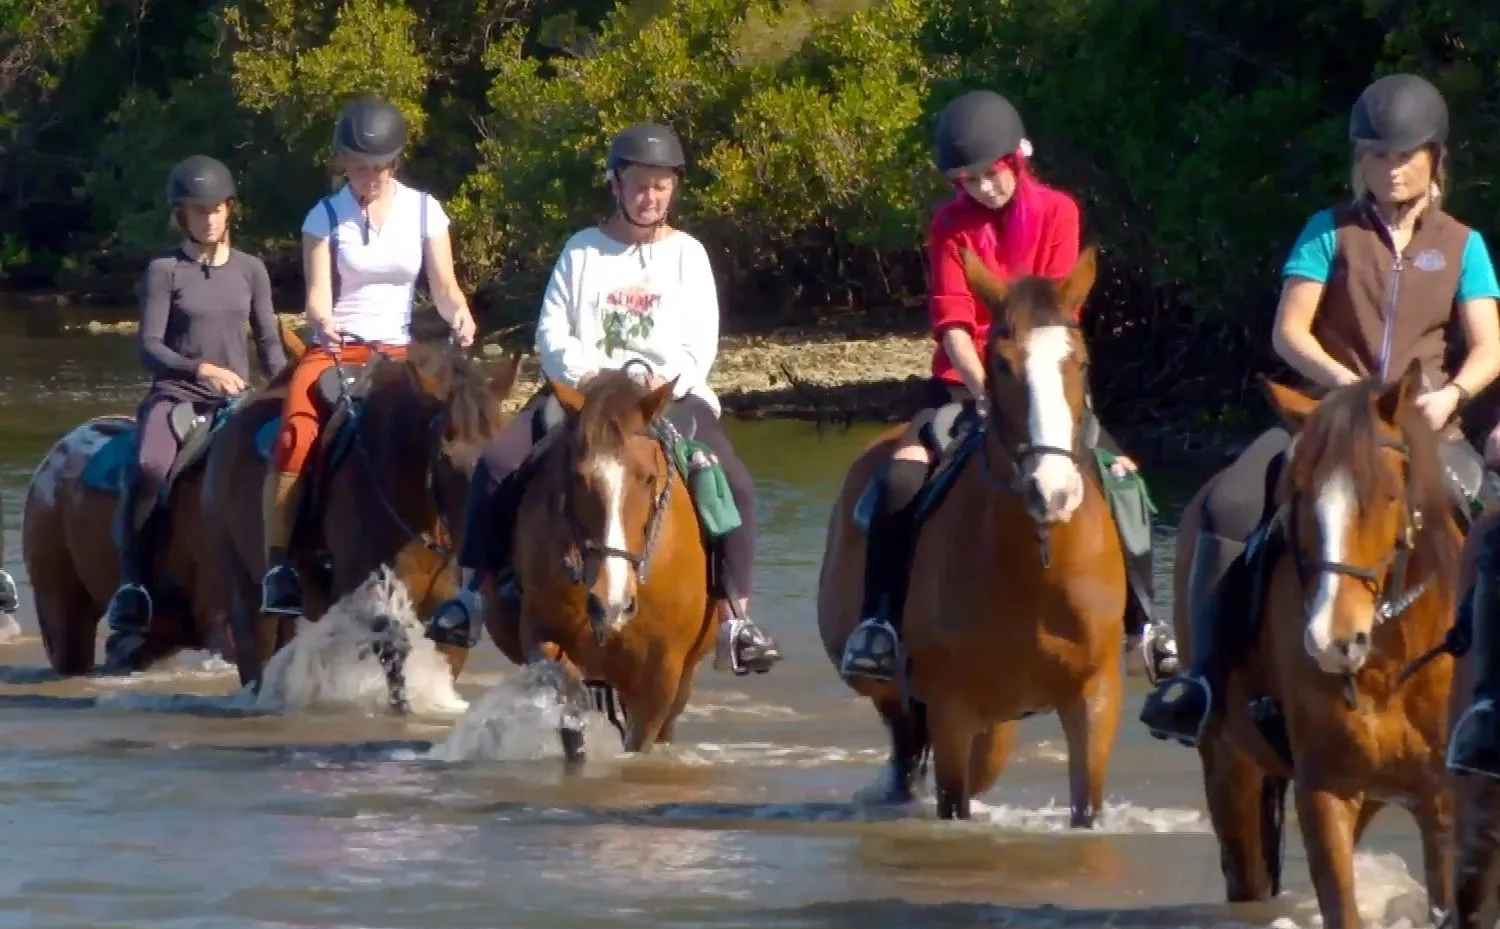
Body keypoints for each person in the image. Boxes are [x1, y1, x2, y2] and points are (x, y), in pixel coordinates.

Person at [1140, 72, 1500, 749]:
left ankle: (1486, 704)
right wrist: (1344, 386)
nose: (1391, 170)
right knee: (1232, 506)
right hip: (1326, 418)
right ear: (1358, 161)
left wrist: (1453, 394)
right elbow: (1289, 331)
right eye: (1377, 156)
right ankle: (1206, 680)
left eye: (1404, 156)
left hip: (1425, 427)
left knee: (1486, 521)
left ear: (1434, 160)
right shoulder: (1325, 231)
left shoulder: (1464, 244)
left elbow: (1489, 345)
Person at [836, 89, 1179, 686]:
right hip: (968, 383)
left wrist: (1026, 387)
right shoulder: (949, 225)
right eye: (967, 180)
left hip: (1045, 379)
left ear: (1015, 160)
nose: (983, 189)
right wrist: (982, 388)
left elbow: (1048, 314)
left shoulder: (1057, 212)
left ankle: (1144, 625)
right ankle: (880, 623)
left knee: (1121, 478)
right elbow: (953, 321)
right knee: (902, 475)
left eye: (990, 174)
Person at [424, 122, 783, 673]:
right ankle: (470, 597)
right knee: (496, 463)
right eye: (640, 184)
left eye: (662, 185)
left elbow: (699, 342)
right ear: (616, 185)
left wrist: (650, 387)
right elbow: (551, 333)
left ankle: (737, 618)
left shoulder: (689, 255)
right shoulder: (582, 251)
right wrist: (588, 380)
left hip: (665, 398)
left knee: (732, 481)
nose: (651, 196)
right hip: (581, 396)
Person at [260, 95, 476, 617]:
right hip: (340, 344)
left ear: (395, 163)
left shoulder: (426, 210)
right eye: (358, 167)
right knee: (294, 434)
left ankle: (471, 566)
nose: (368, 177)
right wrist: (323, 321)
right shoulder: (323, 216)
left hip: (401, 350)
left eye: (378, 167)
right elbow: (316, 296)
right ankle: (280, 565)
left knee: (464, 431)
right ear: (343, 162)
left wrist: (460, 313)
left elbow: (443, 285)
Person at [103, 155, 287, 639]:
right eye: (197, 210)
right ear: (181, 214)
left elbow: (268, 341)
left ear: (230, 210)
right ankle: (132, 585)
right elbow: (149, 346)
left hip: (238, 402)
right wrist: (200, 368)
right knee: (149, 467)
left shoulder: (251, 270)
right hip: (177, 396)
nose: (208, 218)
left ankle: (286, 573)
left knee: (290, 464)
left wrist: (290, 389)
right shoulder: (164, 271)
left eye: (216, 209)